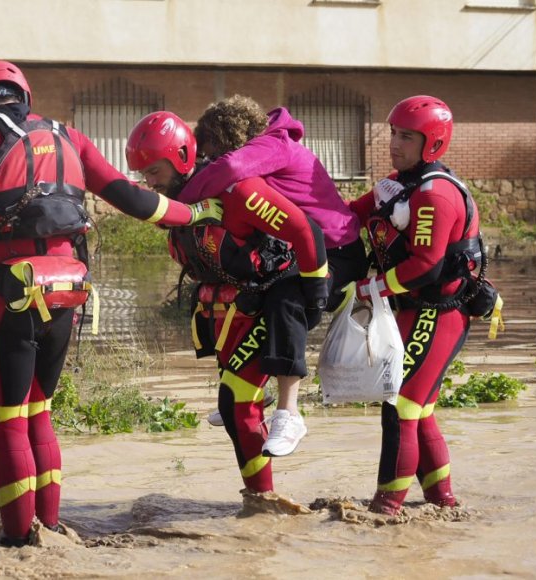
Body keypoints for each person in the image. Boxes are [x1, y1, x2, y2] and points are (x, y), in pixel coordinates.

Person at [0, 60, 223, 547]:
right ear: (26, 98)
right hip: (66, 297)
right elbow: (132, 198)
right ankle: (51, 529)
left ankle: (18, 547)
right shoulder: (70, 138)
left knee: (6, 422)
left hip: (5, 296)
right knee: (39, 412)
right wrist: (195, 211)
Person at [126, 109, 330, 495]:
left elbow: (305, 230)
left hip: (267, 297)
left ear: (182, 158)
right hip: (227, 308)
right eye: (144, 174)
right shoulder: (177, 200)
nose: (149, 182)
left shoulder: (239, 191)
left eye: (154, 171)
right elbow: (135, 202)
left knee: (237, 404)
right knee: (237, 408)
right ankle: (260, 499)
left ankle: (262, 500)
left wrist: (315, 294)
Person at [181, 96, 368, 456]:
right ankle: (253, 390)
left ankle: (290, 413)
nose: (207, 162)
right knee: (248, 293)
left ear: (227, 139)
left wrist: (178, 204)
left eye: (209, 153)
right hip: (300, 250)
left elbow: (231, 169)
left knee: (287, 298)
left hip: (338, 252)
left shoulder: (274, 144)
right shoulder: (266, 146)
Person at [347, 95, 498, 515]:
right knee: (421, 408)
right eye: (393, 133)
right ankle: (443, 503)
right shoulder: (395, 184)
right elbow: (351, 215)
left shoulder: (435, 195)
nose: (395, 143)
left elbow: (426, 267)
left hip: (440, 312)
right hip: (414, 311)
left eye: (407, 137)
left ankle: (386, 509)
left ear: (431, 143)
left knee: (400, 407)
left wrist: (371, 288)